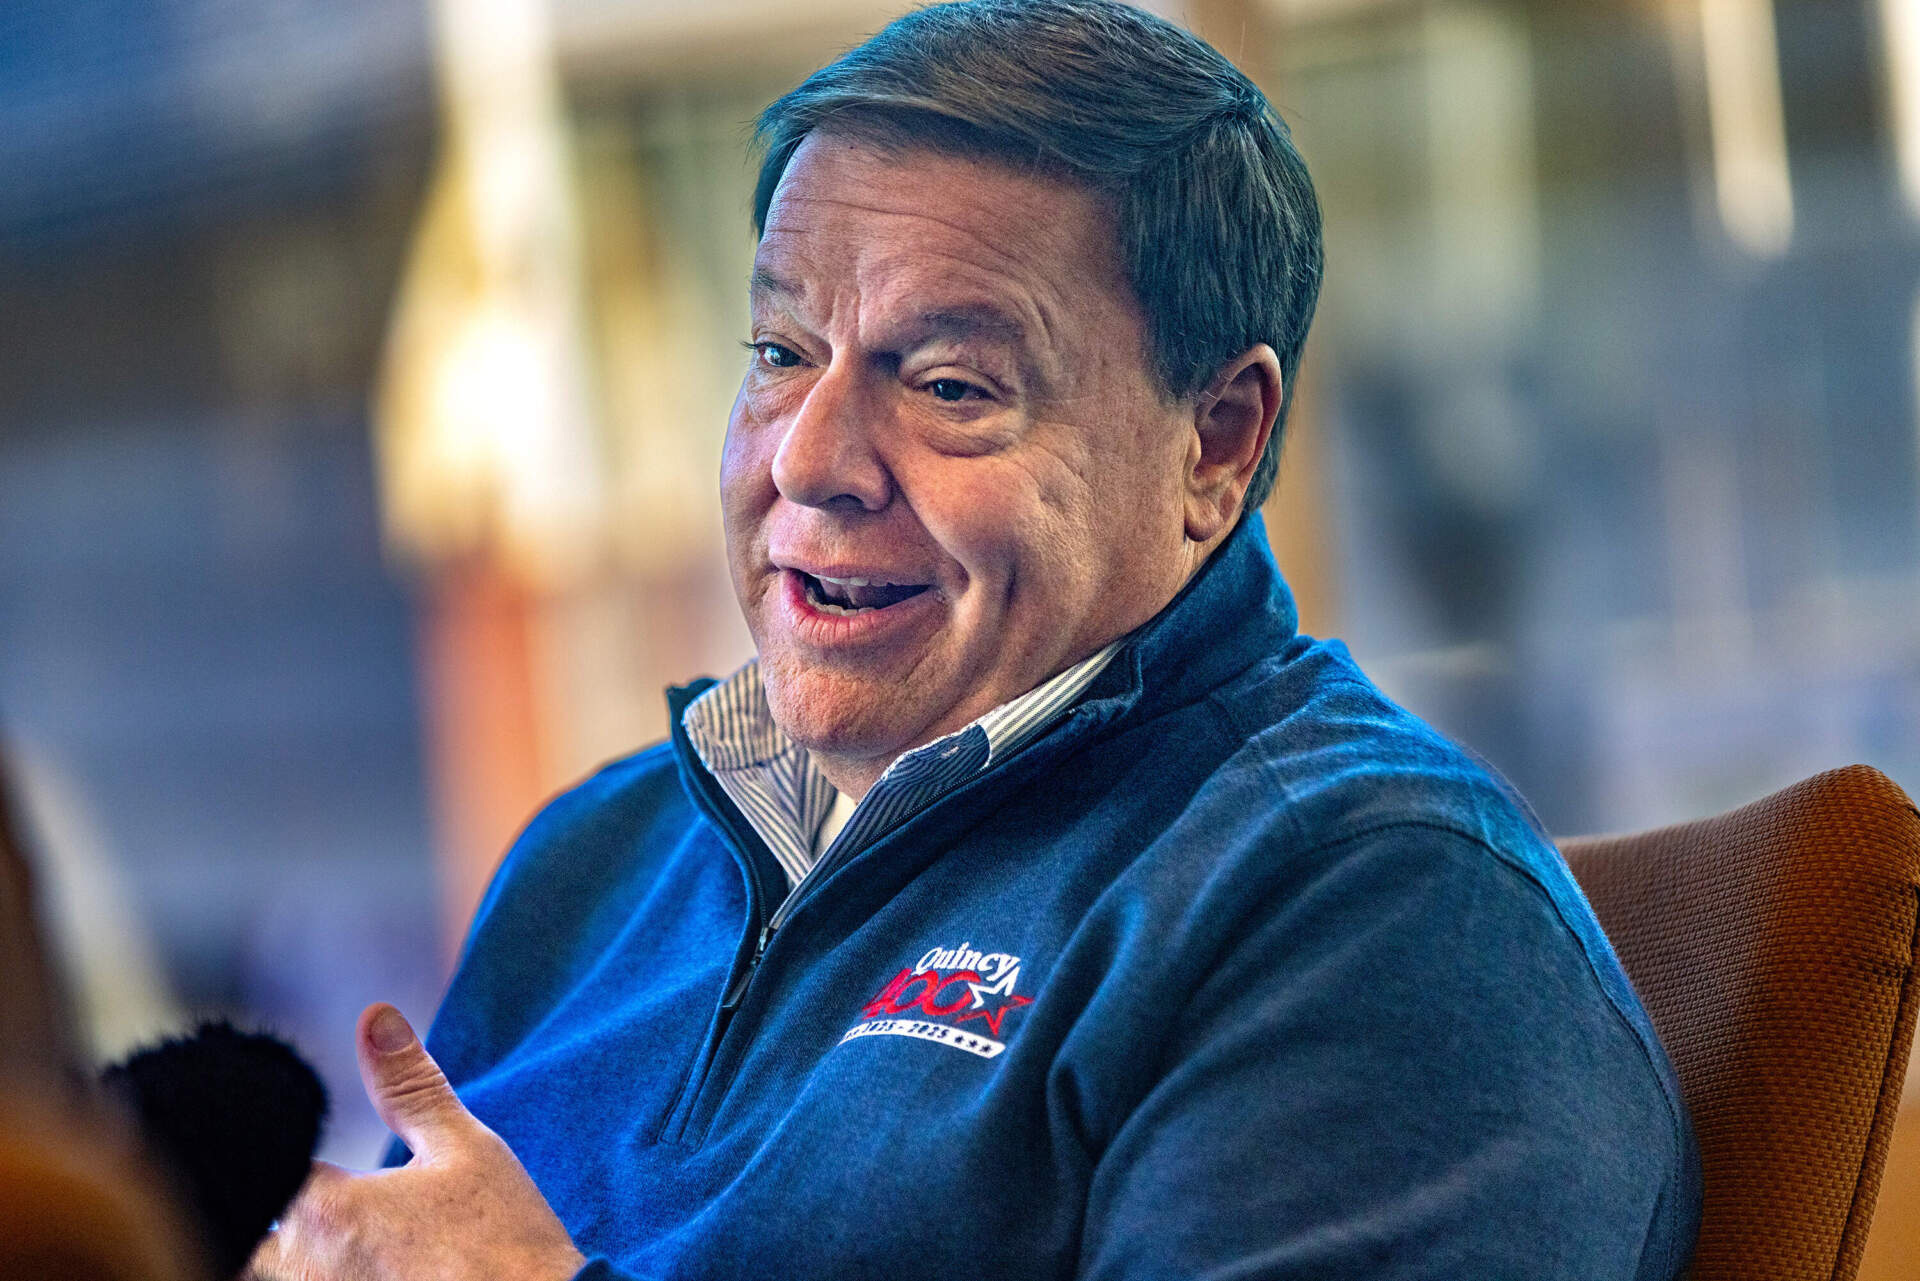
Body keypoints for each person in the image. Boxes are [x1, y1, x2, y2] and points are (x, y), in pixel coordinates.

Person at [252, 3, 1701, 1278]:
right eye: (778, 355)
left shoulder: (1376, 910)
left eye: (947, 384)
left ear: (1218, 442)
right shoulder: (596, 856)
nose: (809, 460)